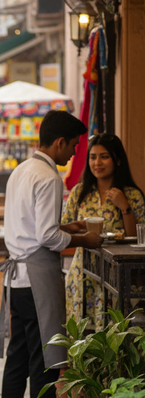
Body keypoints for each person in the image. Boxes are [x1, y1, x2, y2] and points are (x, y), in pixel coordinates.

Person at [0, 110, 103, 398]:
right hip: (36, 276)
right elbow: (47, 237)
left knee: (17, 361)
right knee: (43, 362)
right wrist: (82, 237)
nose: (74, 153)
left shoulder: (22, 170)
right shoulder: (49, 176)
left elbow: (36, 226)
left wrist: (65, 227)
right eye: (73, 145)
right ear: (59, 142)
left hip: (18, 278)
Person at [62, 133, 145, 327]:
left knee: (115, 335)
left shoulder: (132, 195)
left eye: (104, 156)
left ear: (117, 160)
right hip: (82, 274)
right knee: (83, 337)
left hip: (117, 278)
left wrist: (124, 207)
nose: (97, 162)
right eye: (93, 157)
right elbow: (64, 231)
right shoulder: (79, 193)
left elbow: (138, 240)